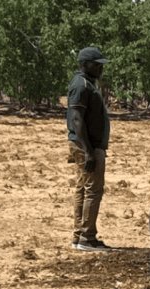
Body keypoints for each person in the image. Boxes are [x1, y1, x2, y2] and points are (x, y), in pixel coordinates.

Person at [66, 46, 113, 251]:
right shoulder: (81, 86)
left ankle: (81, 236)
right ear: (85, 65)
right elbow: (76, 118)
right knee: (92, 190)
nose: (100, 69)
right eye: (97, 65)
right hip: (87, 146)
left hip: (89, 145)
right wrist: (88, 151)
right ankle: (87, 238)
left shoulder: (87, 84)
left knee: (84, 189)